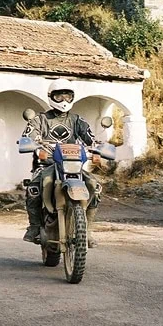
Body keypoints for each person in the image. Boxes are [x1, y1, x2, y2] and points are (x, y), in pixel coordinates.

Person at [21, 79, 100, 248]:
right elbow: (28, 137)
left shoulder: (77, 120)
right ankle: (34, 226)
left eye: (67, 96)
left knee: (95, 186)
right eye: (59, 96)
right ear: (51, 97)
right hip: (47, 164)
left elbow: (90, 138)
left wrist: (98, 148)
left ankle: (88, 231)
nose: (64, 100)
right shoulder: (40, 119)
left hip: (72, 164)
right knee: (33, 189)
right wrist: (33, 146)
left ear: (72, 97)